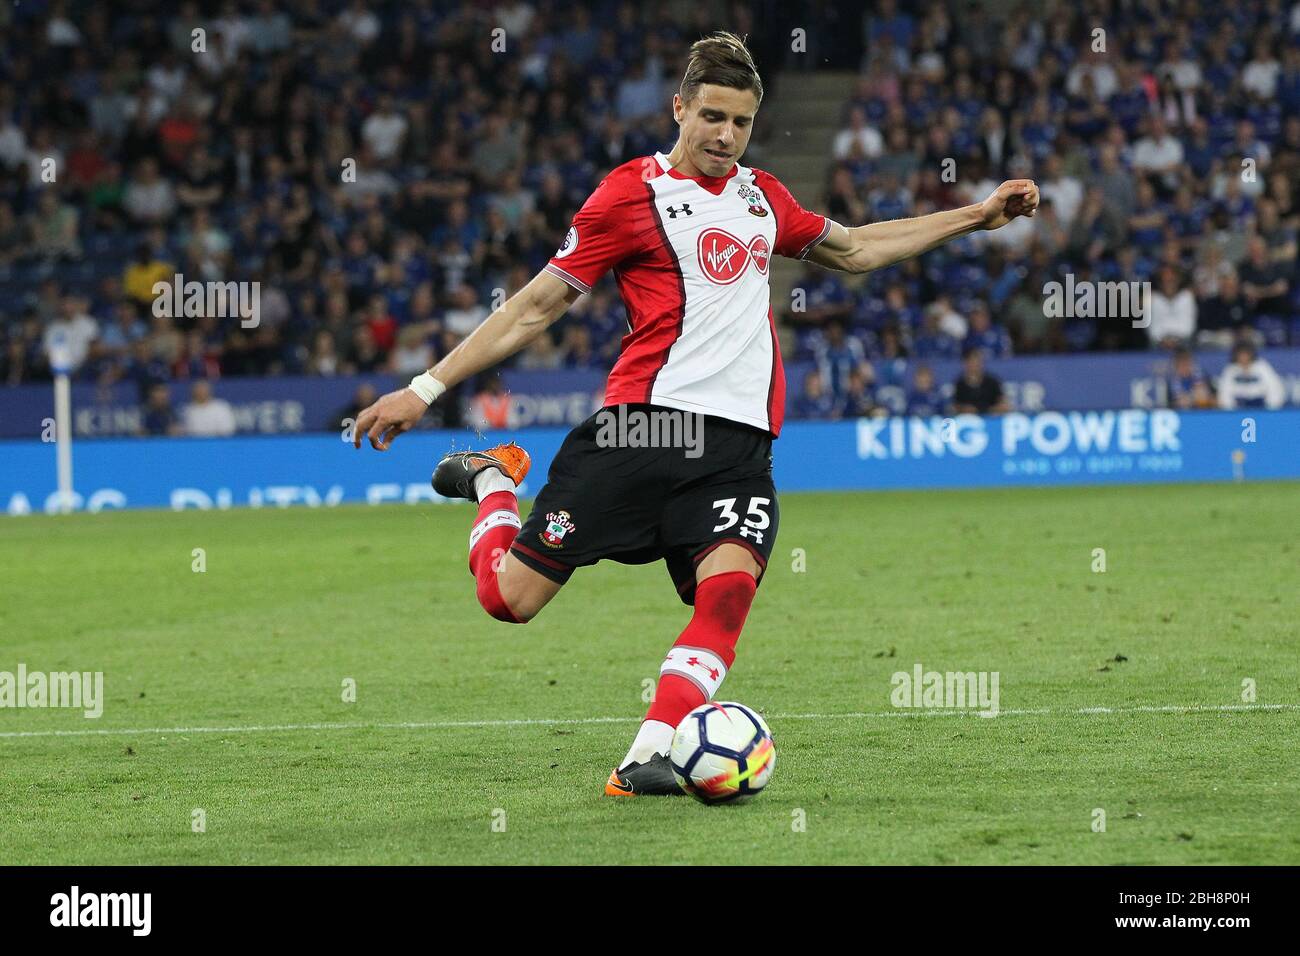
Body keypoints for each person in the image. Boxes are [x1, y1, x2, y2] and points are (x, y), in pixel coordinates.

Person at [352, 32, 1039, 797]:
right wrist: (424, 388)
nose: (724, 136)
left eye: (740, 123)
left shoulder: (762, 196)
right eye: (711, 116)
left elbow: (856, 250)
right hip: (643, 429)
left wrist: (977, 215)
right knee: (508, 602)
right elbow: (535, 309)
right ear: (679, 108)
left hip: (741, 446)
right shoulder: (627, 195)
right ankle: (492, 483)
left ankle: (644, 756)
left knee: (729, 594)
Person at [1217, 341, 1286, 409]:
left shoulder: (1261, 366)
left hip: (1261, 406)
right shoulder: (1231, 370)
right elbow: (1224, 392)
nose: (1243, 357)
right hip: (1238, 407)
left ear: (1251, 354)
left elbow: (1275, 387)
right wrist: (1231, 410)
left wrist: (1270, 408)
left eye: (1245, 354)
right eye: (1240, 354)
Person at [951, 347, 1011, 414]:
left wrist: (990, 410)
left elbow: (1003, 403)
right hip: (968, 420)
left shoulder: (992, 381)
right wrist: (964, 409)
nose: (976, 365)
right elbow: (955, 406)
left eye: (979, 361)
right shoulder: (960, 384)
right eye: (972, 361)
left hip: (991, 418)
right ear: (965, 364)